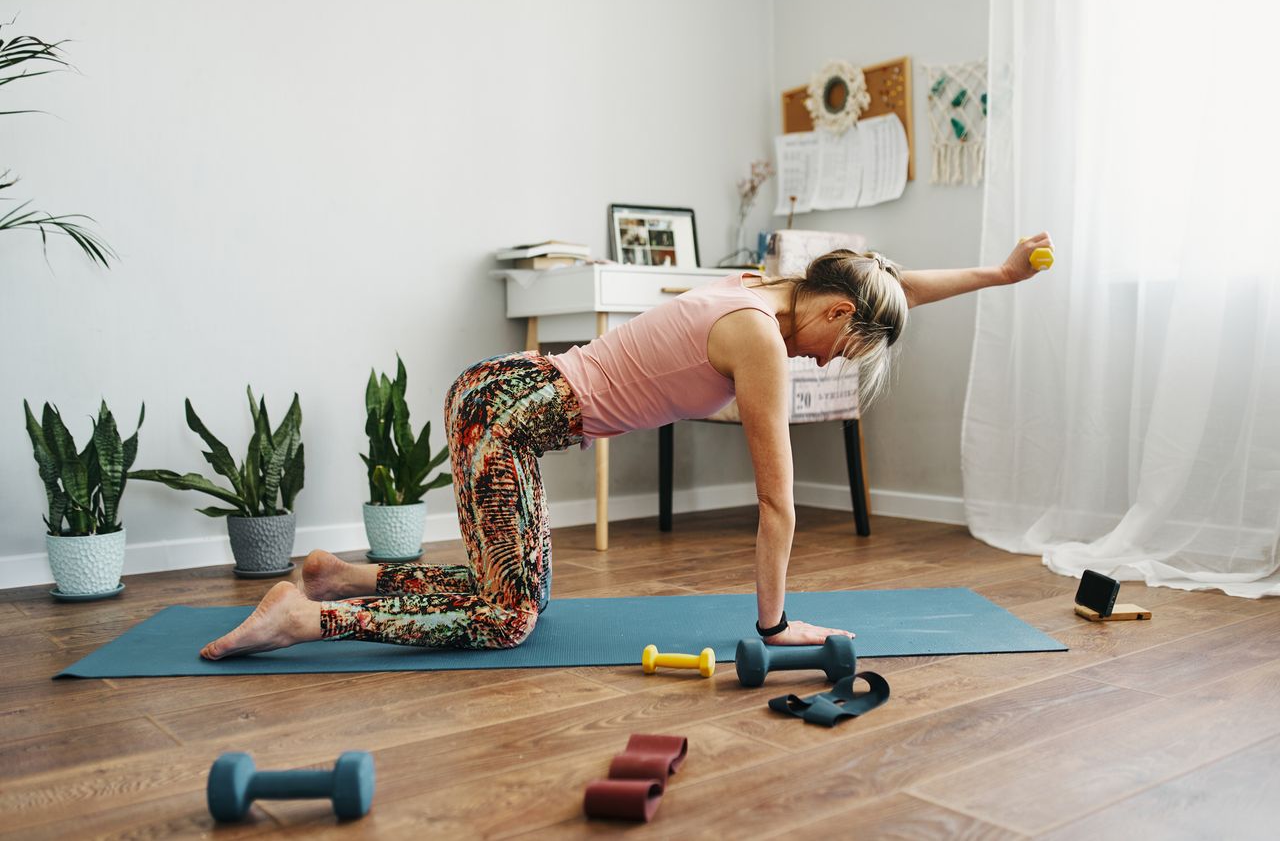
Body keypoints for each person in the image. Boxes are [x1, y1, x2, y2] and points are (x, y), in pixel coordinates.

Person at [200, 234, 1053, 660]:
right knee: (511, 617)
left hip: (501, 395)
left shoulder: (772, 286)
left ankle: (334, 573)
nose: (829, 361)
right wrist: (775, 622)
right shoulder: (759, 338)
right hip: (505, 416)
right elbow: (778, 501)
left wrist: (1000, 276)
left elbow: (890, 285)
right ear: (832, 315)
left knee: (512, 584)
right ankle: (311, 617)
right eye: (845, 348)